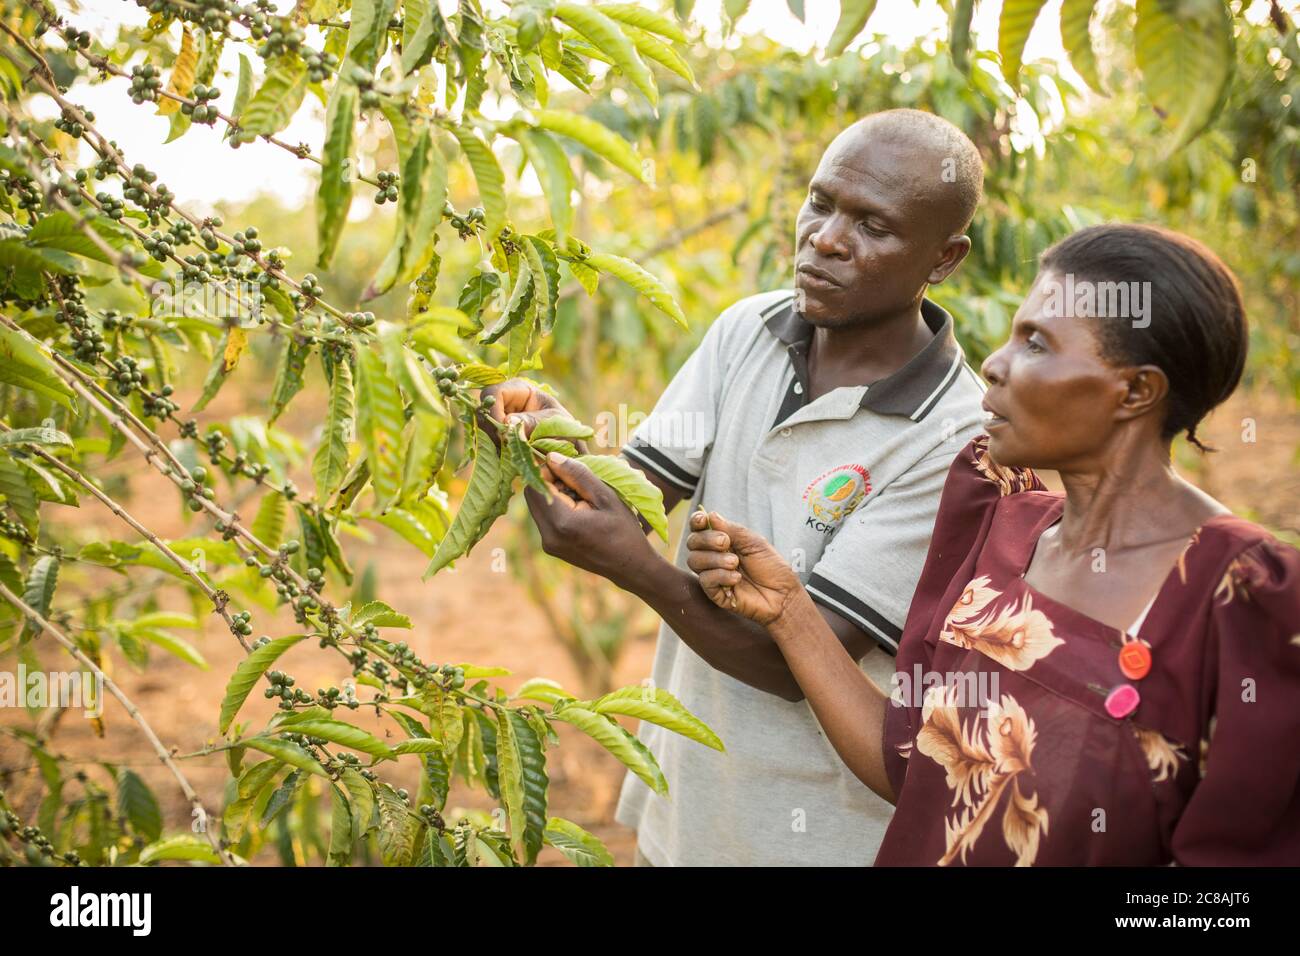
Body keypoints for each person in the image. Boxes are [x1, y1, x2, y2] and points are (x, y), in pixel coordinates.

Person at [684, 223, 1300, 865]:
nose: (995, 365)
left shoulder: (1242, 593)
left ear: (1136, 391)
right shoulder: (999, 528)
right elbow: (915, 769)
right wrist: (788, 608)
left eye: (1036, 344)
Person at [482, 109, 989, 865]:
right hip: (689, 801)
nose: (825, 238)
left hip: (818, 833)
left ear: (943, 259)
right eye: (820, 203)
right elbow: (637, 496)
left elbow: (792, 663)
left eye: (873, 226)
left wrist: (641, 571)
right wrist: (555, 442)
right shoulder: (749, 329)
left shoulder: (954, 437)